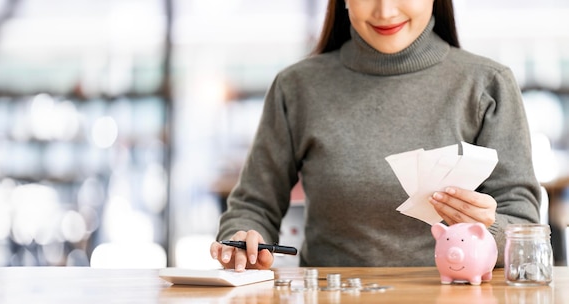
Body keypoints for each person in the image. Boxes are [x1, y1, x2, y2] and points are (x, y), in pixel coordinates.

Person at [210, 0, 541, 271]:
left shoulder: (487, 84)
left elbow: (524, 229)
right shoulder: (296, 87)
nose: (385, 11)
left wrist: (489, 227)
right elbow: (253, 204)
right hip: (332, 295)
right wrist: (242, 241)